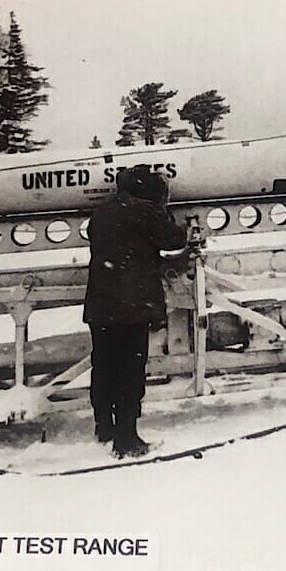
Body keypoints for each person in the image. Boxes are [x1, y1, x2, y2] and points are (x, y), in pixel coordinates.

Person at [83, 164, 188, 456]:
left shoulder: (102, 212)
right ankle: (127, 439)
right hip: (132, 305)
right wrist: (165, 210)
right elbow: (174, 240)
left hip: (102, 304)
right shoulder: (147, 211)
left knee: (104, 367)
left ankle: (104, 427)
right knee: (130, 371)